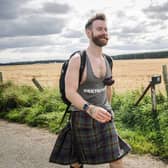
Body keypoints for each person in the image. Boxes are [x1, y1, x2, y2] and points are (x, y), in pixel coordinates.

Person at [64, 13, 130, 168]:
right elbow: (70, 92)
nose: (104, 33)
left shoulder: (108, 60)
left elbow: (108, 87)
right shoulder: (77, 60)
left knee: (117, 158)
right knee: (76, 160)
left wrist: (108, 108)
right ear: (89, 32)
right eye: (99, 29)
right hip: (81, 116)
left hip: (104, 116)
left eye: (106, 29)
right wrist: (90, 108)